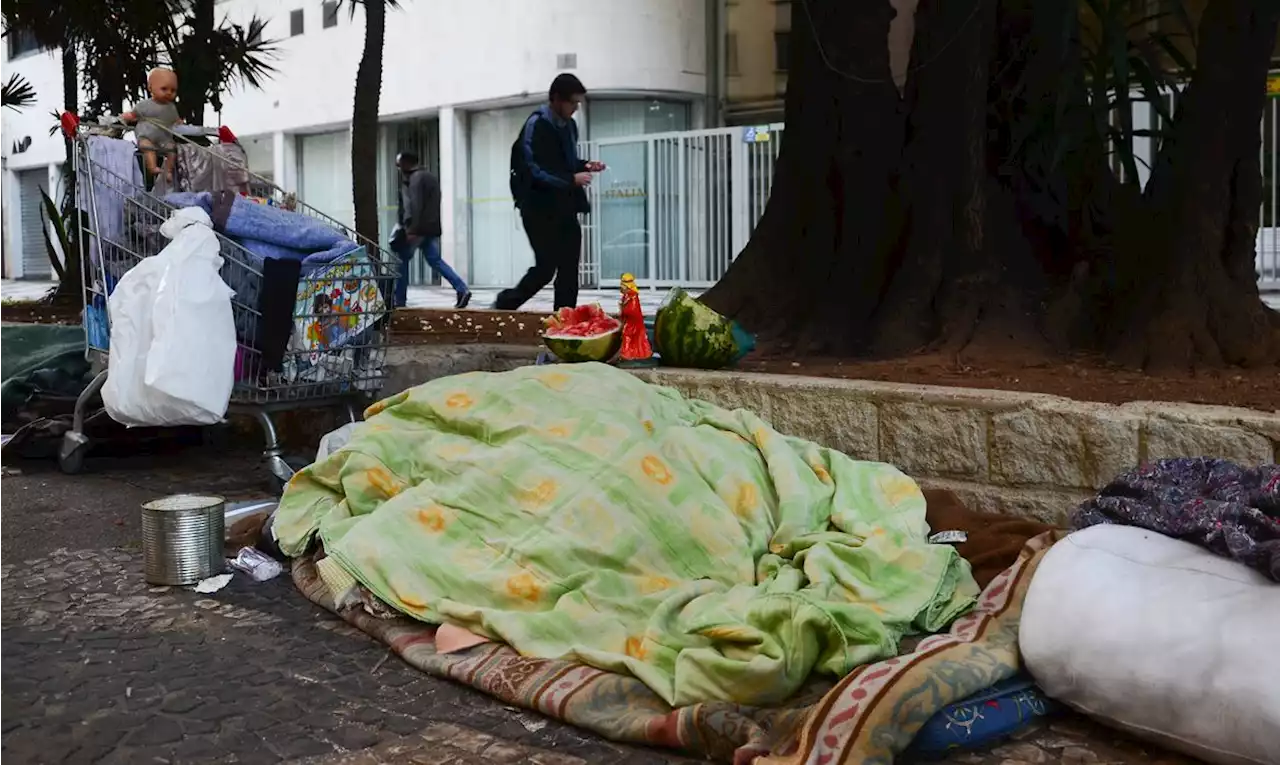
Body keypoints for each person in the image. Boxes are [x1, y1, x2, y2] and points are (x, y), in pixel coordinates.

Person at [495, 73, 605, 311]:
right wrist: (570, 179)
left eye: (577, 103)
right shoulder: (537, 124)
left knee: (569, 267)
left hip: (564, 207)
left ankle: (565, 319)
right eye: (572, 102)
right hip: (538, 208)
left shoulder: (570, 126)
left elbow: (564, 162)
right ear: (556, 99)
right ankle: (504, 305)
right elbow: (534, 168)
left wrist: (584, 165)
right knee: (546, 267)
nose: (575, 108)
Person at [391, 151, 470, 309]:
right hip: (430, 229)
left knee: (401, 261)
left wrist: (411, 230)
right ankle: (461, 288)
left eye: (399, 166)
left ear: (407, 164)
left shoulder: (414, 179)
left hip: (416, 230)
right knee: (435, 260)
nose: (399, 169)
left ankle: (399, 301)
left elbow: (414, 206)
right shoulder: (429, 177)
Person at [121, 67, 183, 184]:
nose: (169, 93)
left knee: (171, 149)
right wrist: (124, 117)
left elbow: (174, 119)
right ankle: (152, 167)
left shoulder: (171, 107)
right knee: (148, 148)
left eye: (173, 90)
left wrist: (179, 122)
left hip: (164, 137)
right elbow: (133, 114)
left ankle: (169, 171)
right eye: (164, 89)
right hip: (146, 136)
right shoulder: (144, 105)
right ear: (150, 88)